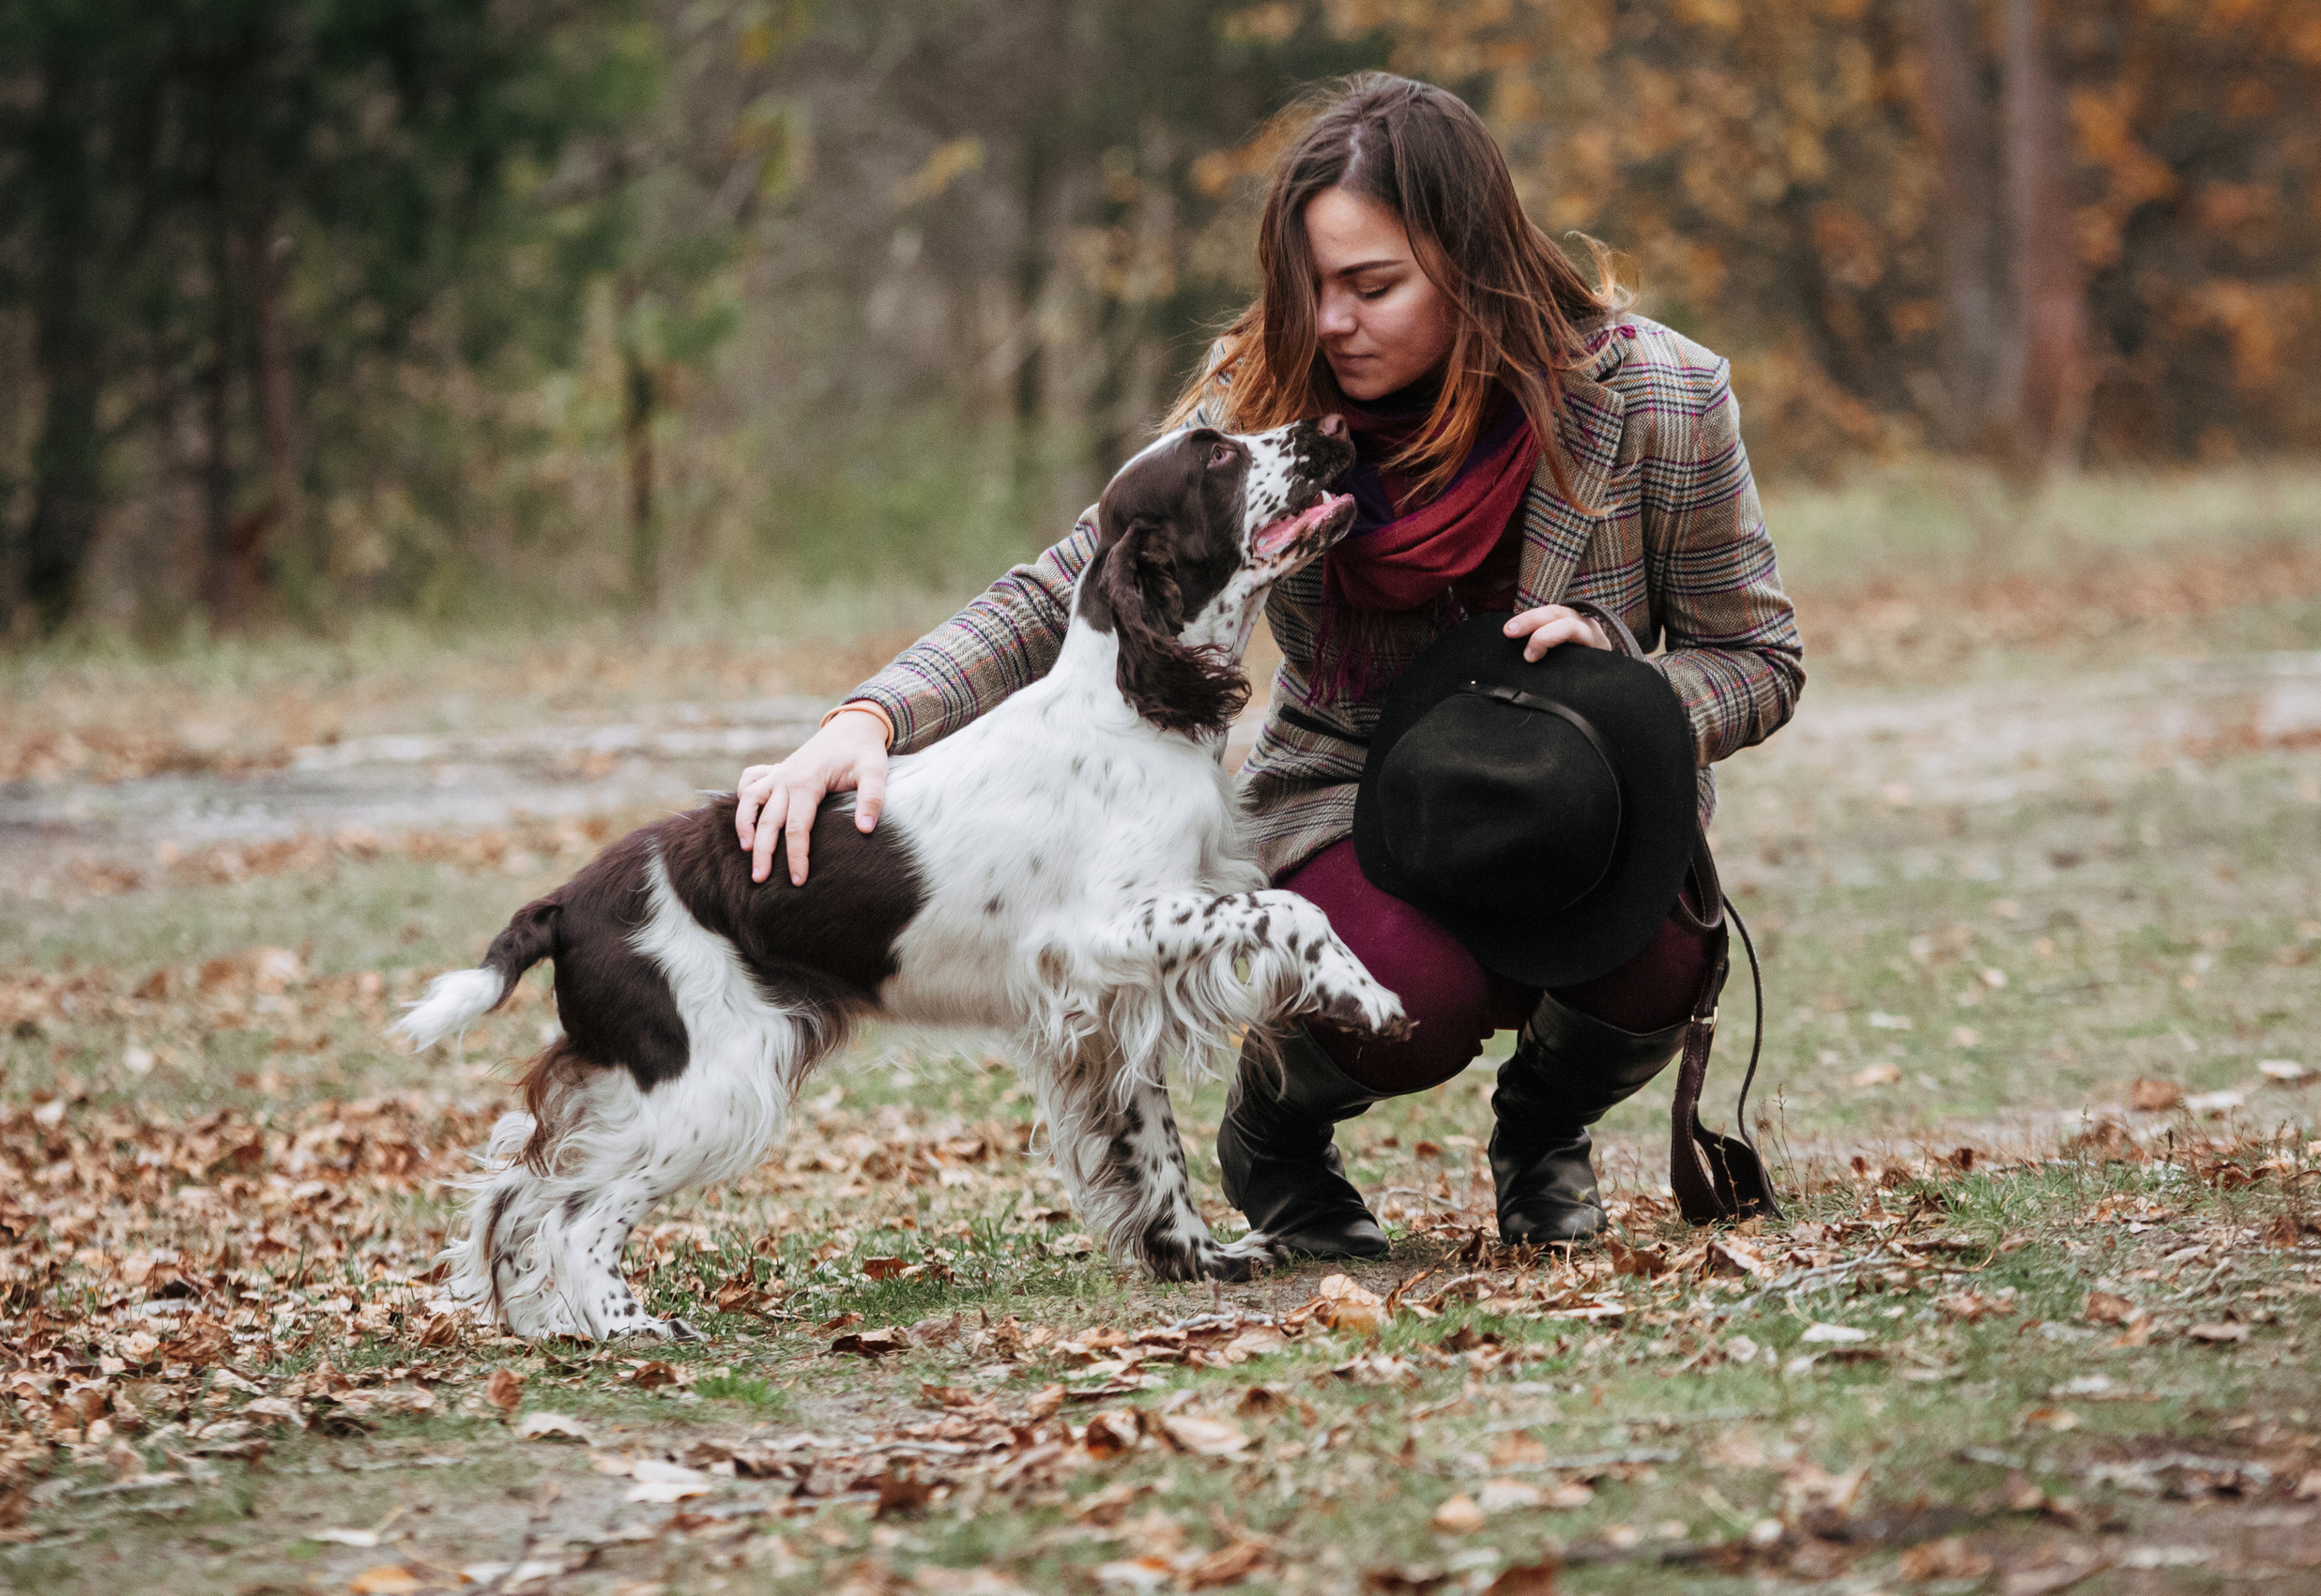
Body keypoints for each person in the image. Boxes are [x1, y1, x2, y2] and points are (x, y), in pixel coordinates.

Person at [735, 73, 1802, 1259]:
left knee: (1658, 959)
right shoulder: (1259, 401)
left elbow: (1757, 654)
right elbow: (1066, 586)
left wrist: (1631, 687)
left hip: (1577, 803)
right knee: (1406, 1004)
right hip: (1348, 789)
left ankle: (1542, 1133)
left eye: (1371, 285)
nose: (1331, 322)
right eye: (1308, 288)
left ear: (1475, 260)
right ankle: (1275, 1135)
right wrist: (871, 718)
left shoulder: (1662, 396)